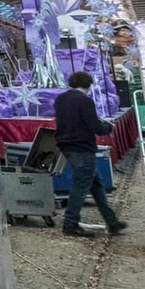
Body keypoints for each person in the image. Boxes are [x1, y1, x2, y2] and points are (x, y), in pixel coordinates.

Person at [54, 70, 128, 237]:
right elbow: (95, 126)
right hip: (82, 147)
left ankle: (112, 221)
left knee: (96, 185)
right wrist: (109, 127)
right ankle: (70, 224)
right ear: (88, 85)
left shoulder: (60, 99)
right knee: (80, 188)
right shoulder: (85, 101)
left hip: (66, 146)